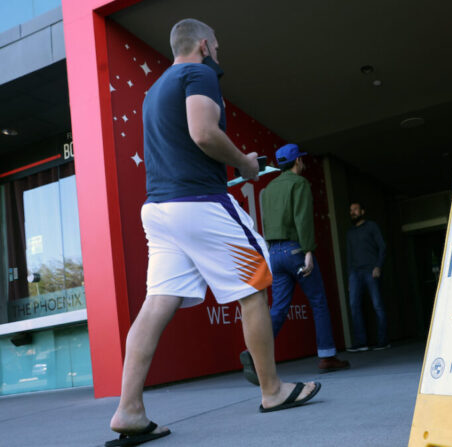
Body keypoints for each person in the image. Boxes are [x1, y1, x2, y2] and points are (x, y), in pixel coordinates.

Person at [106, 19, 320, 447]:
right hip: (199, 206)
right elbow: (203, 133)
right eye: (217, 46)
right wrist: (244, 162)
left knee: (155, 304)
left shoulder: (155, 91)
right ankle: (272, 391)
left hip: (159, 210)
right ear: (203, 45)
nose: (219, 54)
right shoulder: (198, 73)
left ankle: (129, 410)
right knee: (256, 284)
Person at [240, 144, 349, 384]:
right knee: (318, 301)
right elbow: (303, 219)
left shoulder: (268, 190)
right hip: (296, 250)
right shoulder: (299, 184)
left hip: (275, 254)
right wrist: (309, 250)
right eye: (301, 159)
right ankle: (327, 356)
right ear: (297, 162)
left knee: (278, 308)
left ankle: (254, 354)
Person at [345, 202, 389, 352]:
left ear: (363, 211)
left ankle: (383, 341)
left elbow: (382, 246)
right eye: (351, 210)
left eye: (356, 209)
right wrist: (349, 278)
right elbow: (349, 257)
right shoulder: (350, 233)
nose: (353, 212)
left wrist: (378, 266)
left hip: (371, 270)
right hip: (355, 273)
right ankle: (361, 343)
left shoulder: (372, 226)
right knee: (354, 306)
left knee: (377, 305)